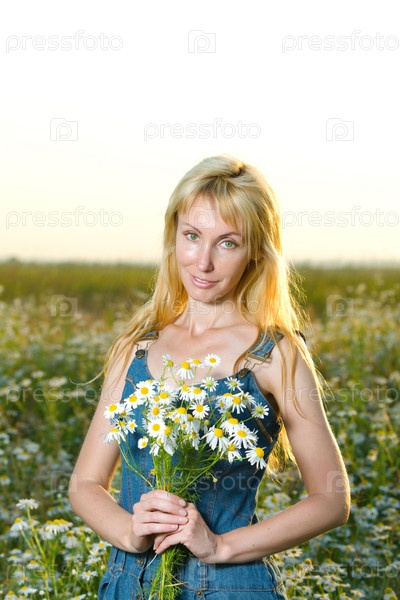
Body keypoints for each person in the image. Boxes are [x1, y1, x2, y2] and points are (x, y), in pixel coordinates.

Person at [69, 155, 350, 599]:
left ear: (256, 251)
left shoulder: (274, 353)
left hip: (230, 587)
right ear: (174, 236)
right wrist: (130, 531)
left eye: (227, 243)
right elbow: (85, 484)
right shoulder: (136, 347)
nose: (202, 262)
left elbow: (332, 500)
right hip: (127, 584)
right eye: (192, 236)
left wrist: (221, 546)